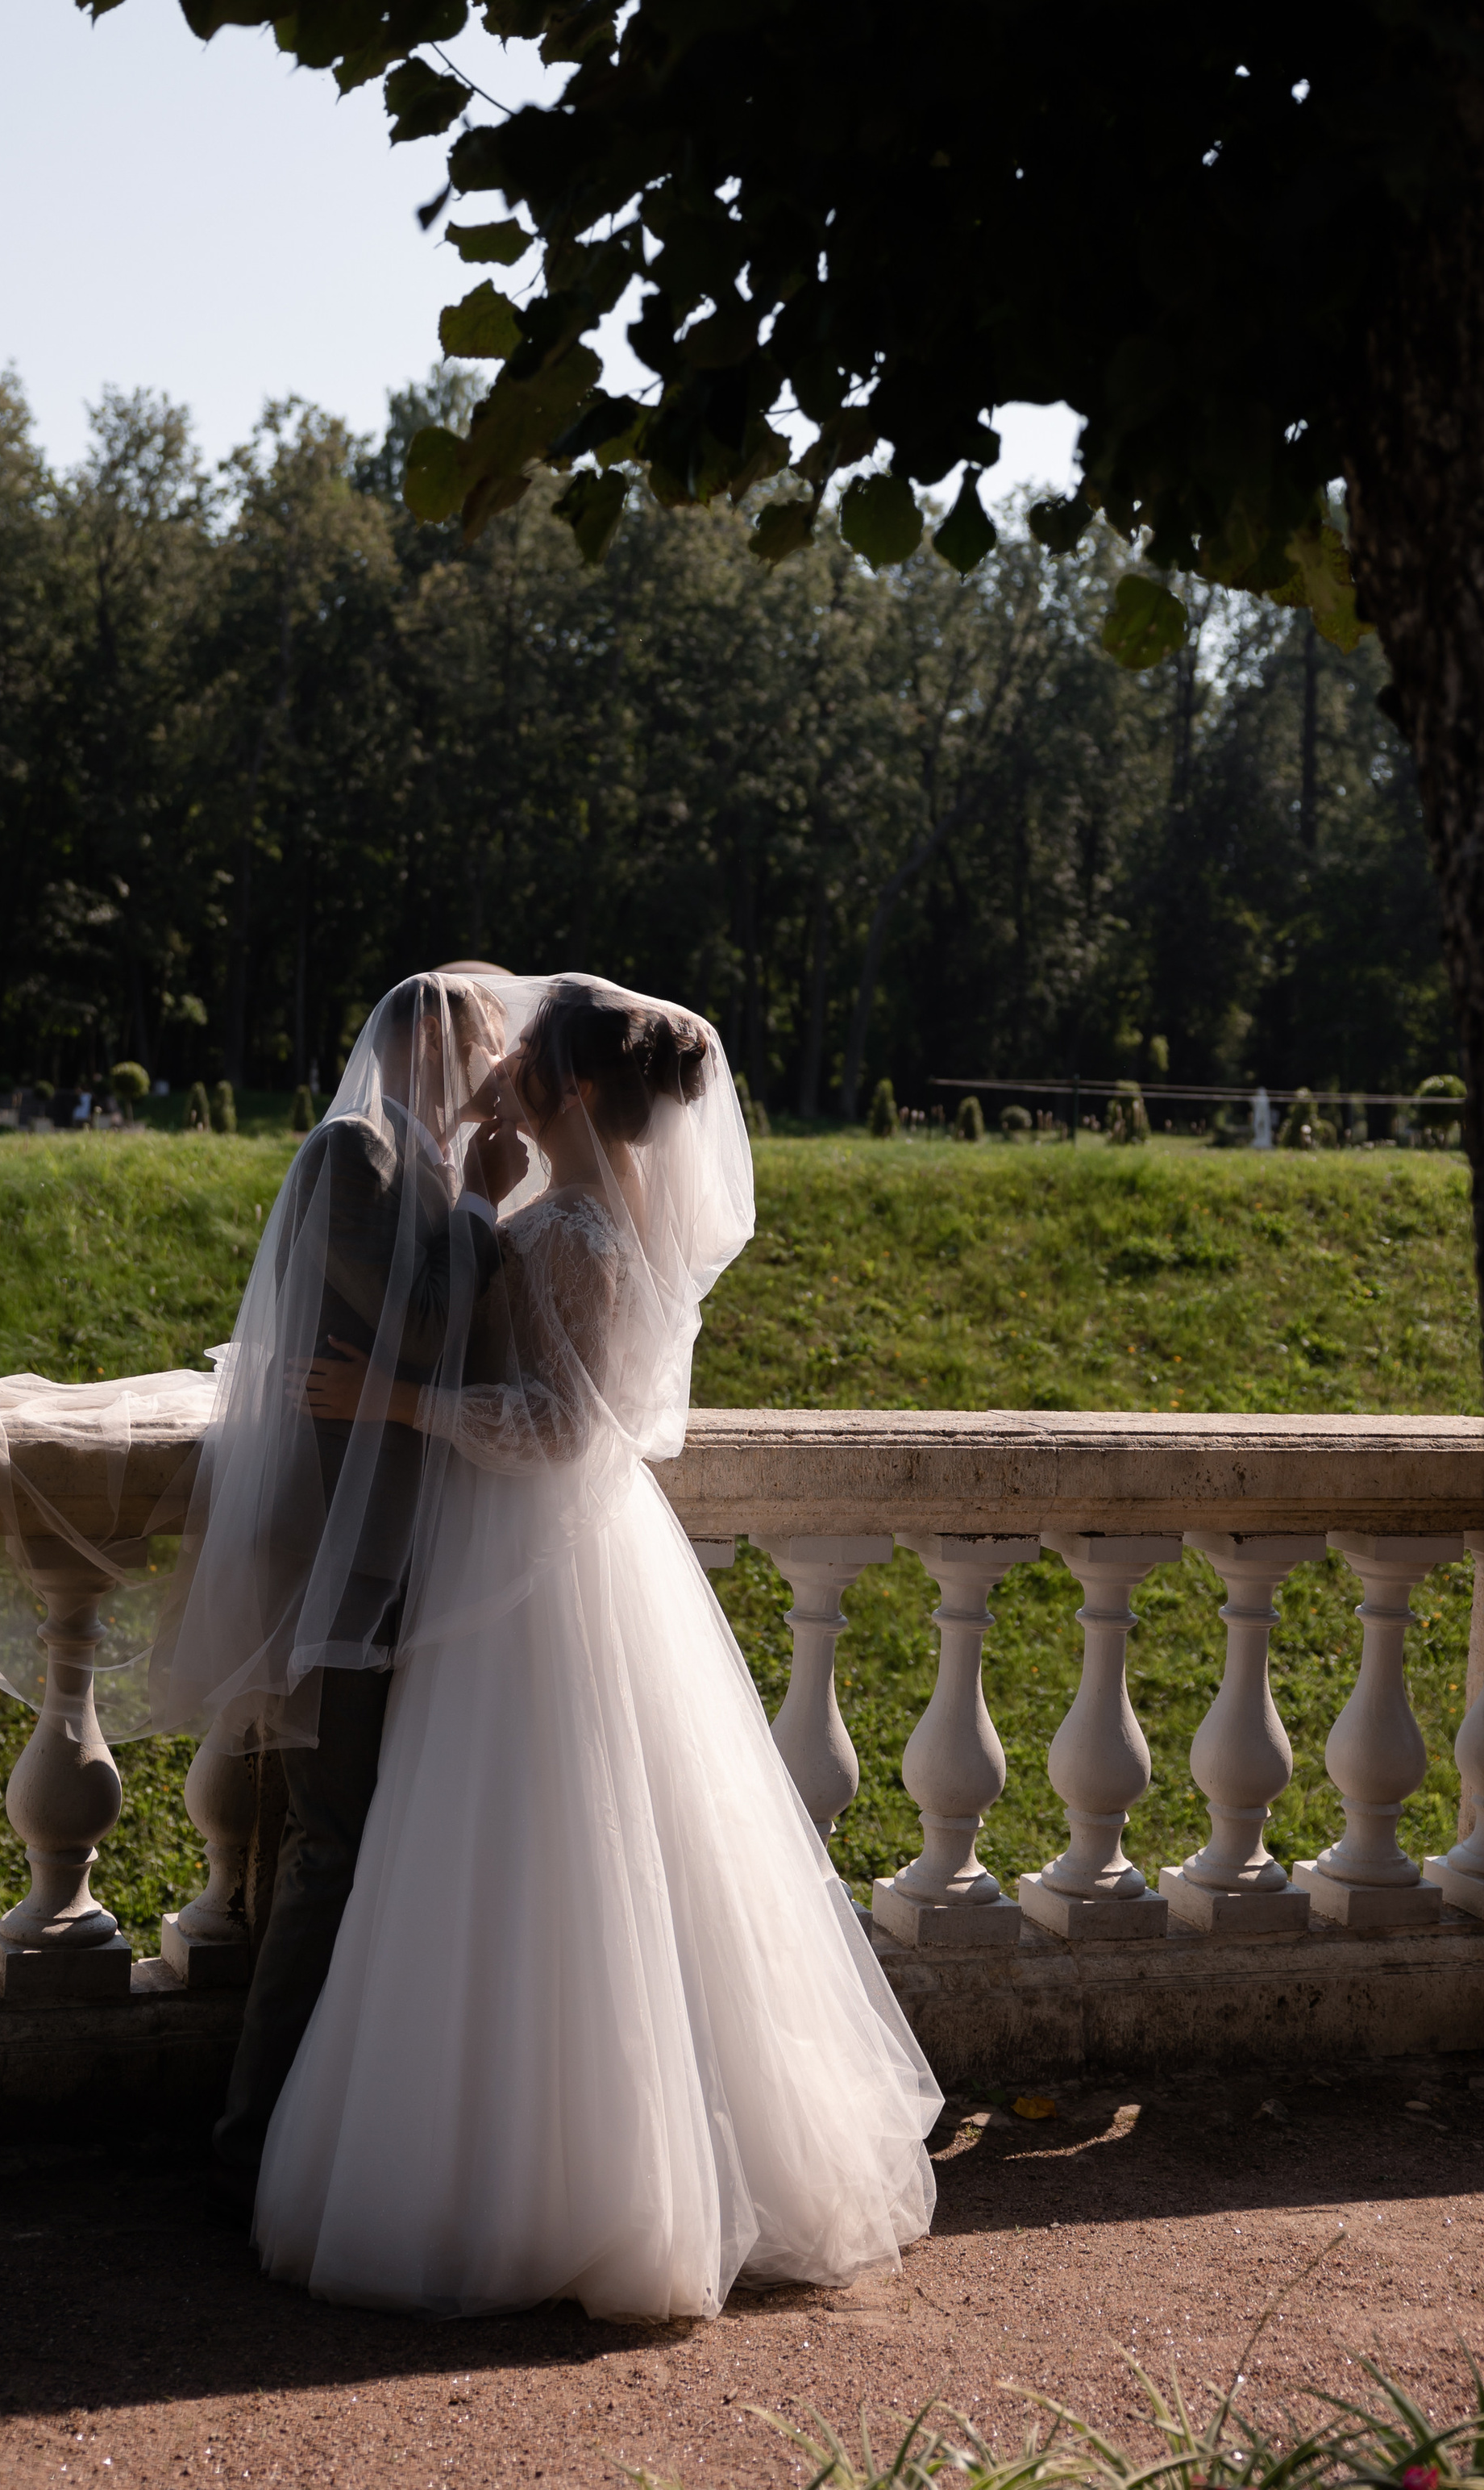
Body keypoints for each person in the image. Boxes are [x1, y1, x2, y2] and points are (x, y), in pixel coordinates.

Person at [254, 975, 939, 2322]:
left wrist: (390, 1396)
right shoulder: (570, 1210)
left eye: (522, 1051)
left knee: (540, 1845)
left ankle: (549, 2186)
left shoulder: (573, 1229)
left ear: (568, 1087)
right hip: (537, 1559)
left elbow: (558, 1429)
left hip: (534, 1568)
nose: (496, 1057)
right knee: (538, 1850)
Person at [153, 971, 526, 2194]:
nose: (496, 1059)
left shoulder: (406, 1157)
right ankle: (251, 2143)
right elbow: (418, 1333)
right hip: (342, 1558)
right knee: (327, 1848)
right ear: (430, 1039)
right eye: (483, 1038)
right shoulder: (354, 1158)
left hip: (405, 1552)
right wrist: (480, 1214)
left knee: (362, 1846)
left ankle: (331, 2131)